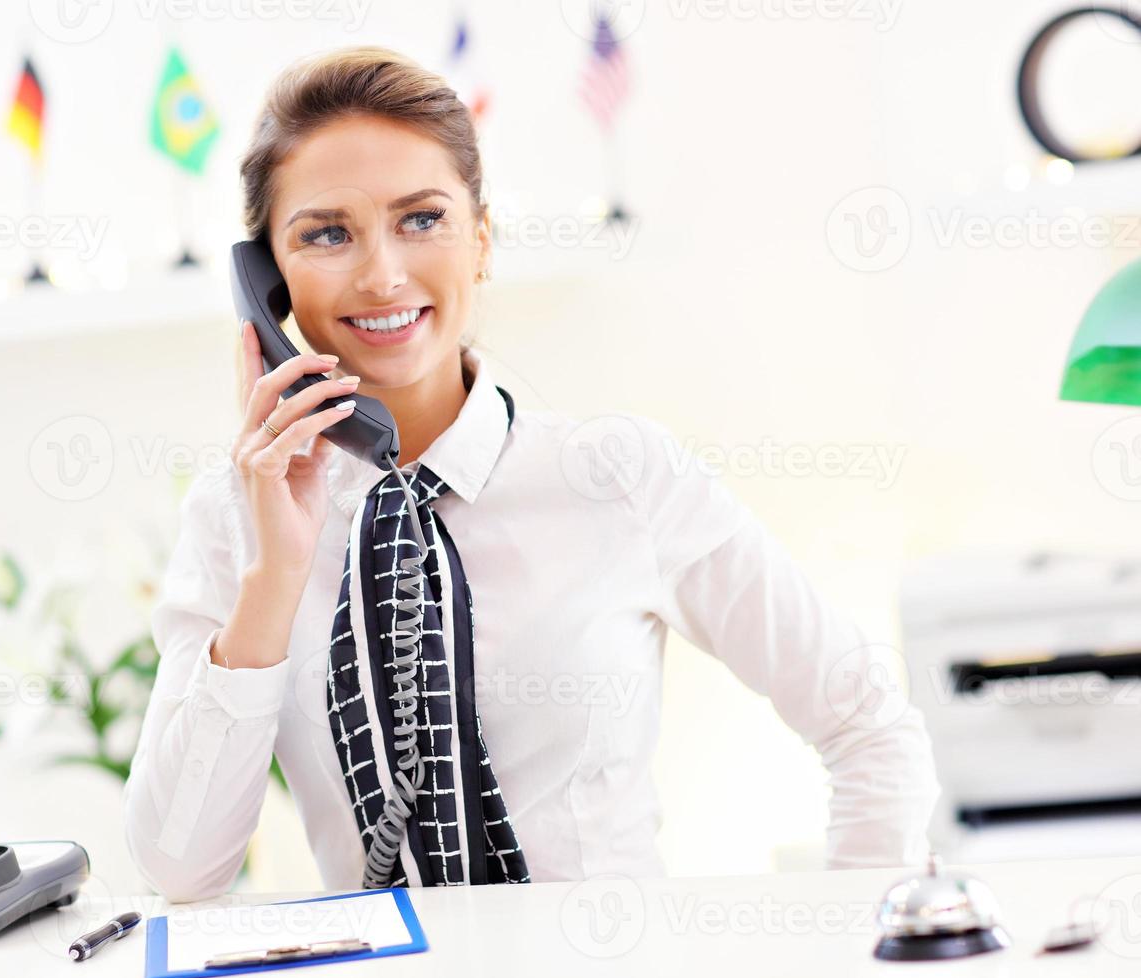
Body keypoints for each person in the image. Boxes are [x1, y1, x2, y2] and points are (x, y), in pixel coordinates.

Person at [123, 45, 940, 902]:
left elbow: (869, 725)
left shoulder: (618, 474)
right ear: (268, 283)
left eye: (422, 219)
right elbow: (179, 868)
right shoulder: (234, 515)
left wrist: (862, 940)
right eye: (327, 233)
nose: (382, 274)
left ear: (480, 240)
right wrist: (273, 579)